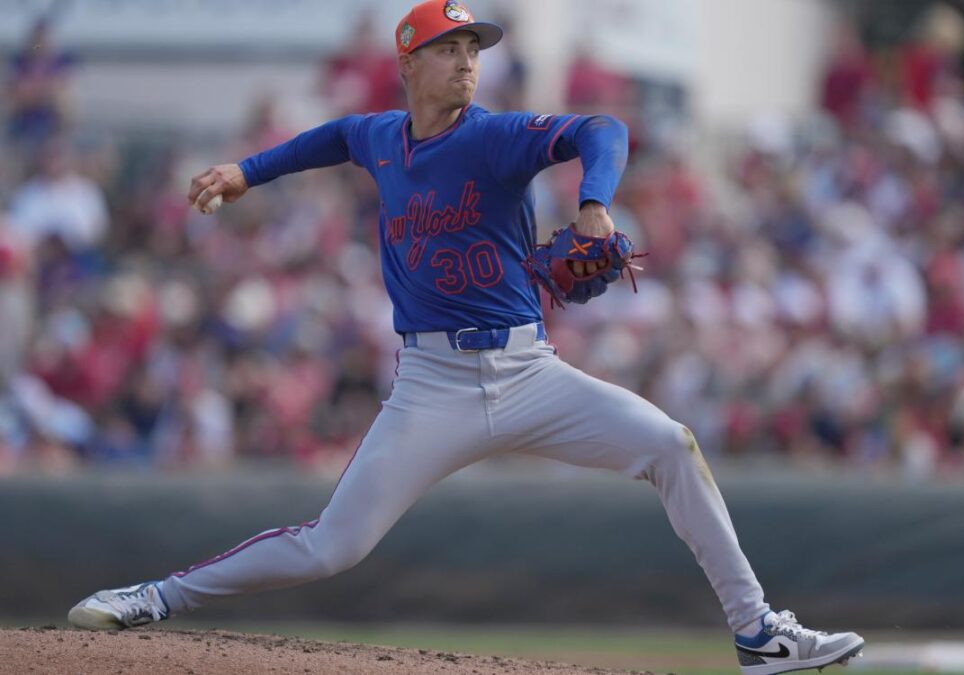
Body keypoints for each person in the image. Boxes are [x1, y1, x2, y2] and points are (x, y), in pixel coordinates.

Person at [67, 2, 864, 672]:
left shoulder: (493, 136)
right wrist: (247, 171)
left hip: (529, 372)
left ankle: (757, 631)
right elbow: (331, 137)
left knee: (670, 443)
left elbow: (602, 128)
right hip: (432, 386)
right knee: (331, 547)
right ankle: (155, 596)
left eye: (473, 49)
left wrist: (593, 202)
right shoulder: (382, 137)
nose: (466, 62)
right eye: (448, 49)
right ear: (408, 64)